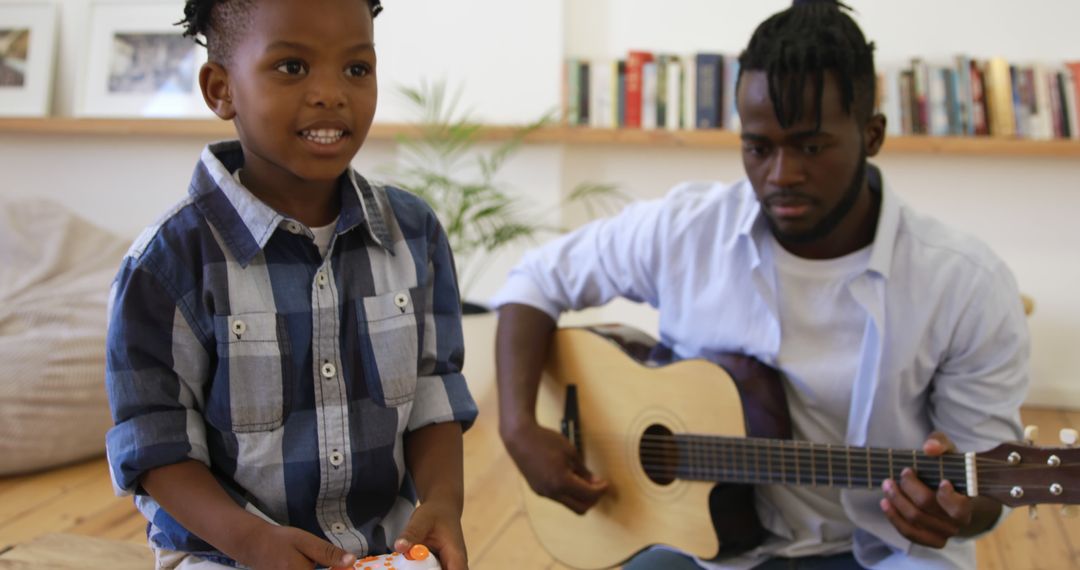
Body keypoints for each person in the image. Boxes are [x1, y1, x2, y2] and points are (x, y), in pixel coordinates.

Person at [491, 1, 1029, 569]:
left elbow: (990, 482)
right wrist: (518, 426)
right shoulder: (687, 229)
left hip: (880, 550)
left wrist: (962, 509)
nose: (781, 175)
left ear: (872, 135)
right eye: (758, 147)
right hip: (702, 545)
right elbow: (533, 282)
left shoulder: (965, 283)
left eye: (811, 146)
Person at [104, 1, 478, 569]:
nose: (331, 93)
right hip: (228, 555)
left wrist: (444, 503)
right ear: (220, 88)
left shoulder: (414, 233)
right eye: (292, 67)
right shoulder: (165, 266)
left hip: (388, 551)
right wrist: (253, 542)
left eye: (356, 69)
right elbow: (156, 448)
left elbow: (434, 390)